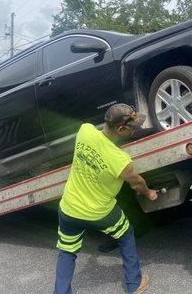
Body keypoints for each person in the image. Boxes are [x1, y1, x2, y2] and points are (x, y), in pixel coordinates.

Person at [53, 103, 158, 294]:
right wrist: (149, 193)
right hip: (99, 212)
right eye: (133, 128)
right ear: (121, 129)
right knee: (125, 234)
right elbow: (137, 183)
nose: (135, 130)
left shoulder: (85, 131)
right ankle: (134, 285)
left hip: (68, 207)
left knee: (67, 251)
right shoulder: (119, 159)